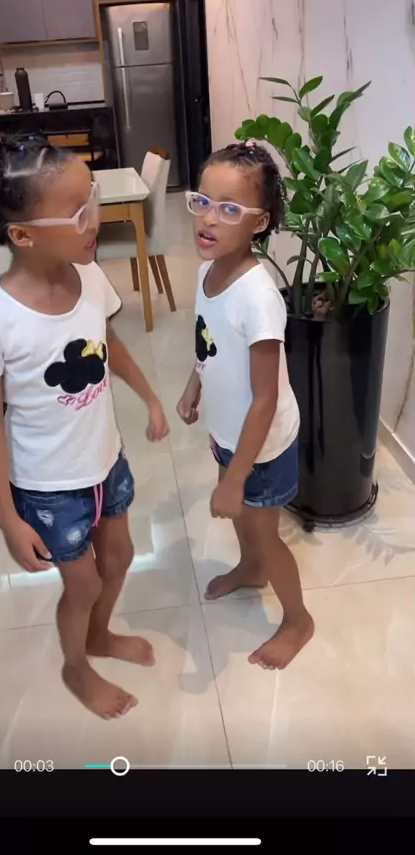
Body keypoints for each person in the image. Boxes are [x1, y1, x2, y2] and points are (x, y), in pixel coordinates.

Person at [0, 132, 169, 719]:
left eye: (91, 198)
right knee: (84, 584)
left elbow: (107, 344)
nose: (94, 219)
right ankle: (77, 667)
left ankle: (98, 636)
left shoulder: (89, 276)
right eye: (77, 213)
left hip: (105, 461)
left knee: (119, 558)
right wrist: (8, 516)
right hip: (50, 489)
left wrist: (150, 397)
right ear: (22, 236)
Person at [177, 141, 314, 670]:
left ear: (259, 223)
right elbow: (208, 343)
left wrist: (236, 478)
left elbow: (266, 397)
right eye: (202, 202)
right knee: (241, 519)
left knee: (263, 530)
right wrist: (194, 384)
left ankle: (297, 619)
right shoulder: (208, 271)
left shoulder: (258, 297)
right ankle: (250, 570)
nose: (209, 219)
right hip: (228, 430)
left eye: (229, 209)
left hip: (262, 441)